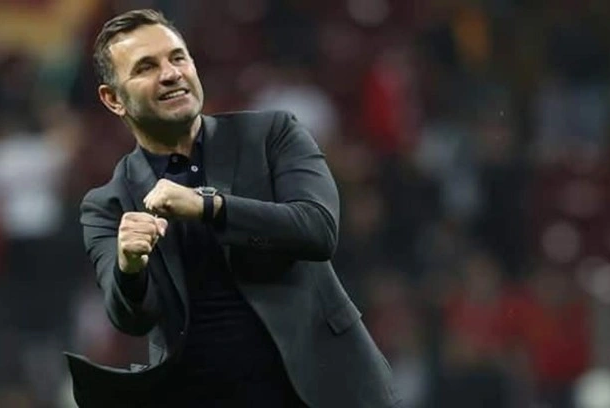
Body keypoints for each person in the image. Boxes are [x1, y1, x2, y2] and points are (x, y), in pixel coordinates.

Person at [65, 8, 399, 408]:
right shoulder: (108, 204)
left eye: (178, 57)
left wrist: (210, 206)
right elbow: (131, 318)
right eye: (146, 67)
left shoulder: (273, 134)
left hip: (324, 390)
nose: (171, 74)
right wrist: (130, 267)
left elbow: (318, 229)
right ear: (113, 99)